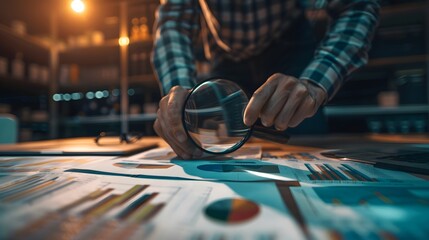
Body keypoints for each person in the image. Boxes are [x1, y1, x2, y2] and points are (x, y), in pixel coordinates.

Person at [151, 0, 380, 159]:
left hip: (292, 49)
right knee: (211, 150)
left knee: (307, 147)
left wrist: (313, 83)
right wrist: (177, 93)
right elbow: (173, 22)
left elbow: (356, 6)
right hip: (225, 59)